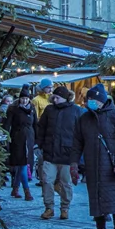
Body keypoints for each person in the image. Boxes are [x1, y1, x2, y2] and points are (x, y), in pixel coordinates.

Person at [72, 83, 115, 229]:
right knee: (96, 200)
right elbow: (77, 142)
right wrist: (74, 163)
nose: (90, 102)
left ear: (101, 100)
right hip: (92, 166)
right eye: (88, 99)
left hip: (112, 166)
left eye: (93, 99)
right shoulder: (84, 118)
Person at [36, 85, 79, 220]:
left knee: (66, 183)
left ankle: (65, 208)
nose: (54, 100)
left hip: (67, 154)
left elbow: (80, 133)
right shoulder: (49, 110)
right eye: (53, 97)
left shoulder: (76, 111)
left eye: (57, 97)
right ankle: (49, 207)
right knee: (47, 180)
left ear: (66, 98)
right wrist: (39, 145)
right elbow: (41, 128)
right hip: (50, 153)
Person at [5, 87, 36, 201]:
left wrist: (36, 140)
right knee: (22, 164)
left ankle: (15, 188)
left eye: (26, 98)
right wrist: (6, 137)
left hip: (29, 139)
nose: (24, 101)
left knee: (23, 164)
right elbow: (7, 124)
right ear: (19, 99)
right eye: (22, 98)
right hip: (17, 139)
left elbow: (35, 124)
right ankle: (27, 191)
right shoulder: (13, 109)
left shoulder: (32, 108)